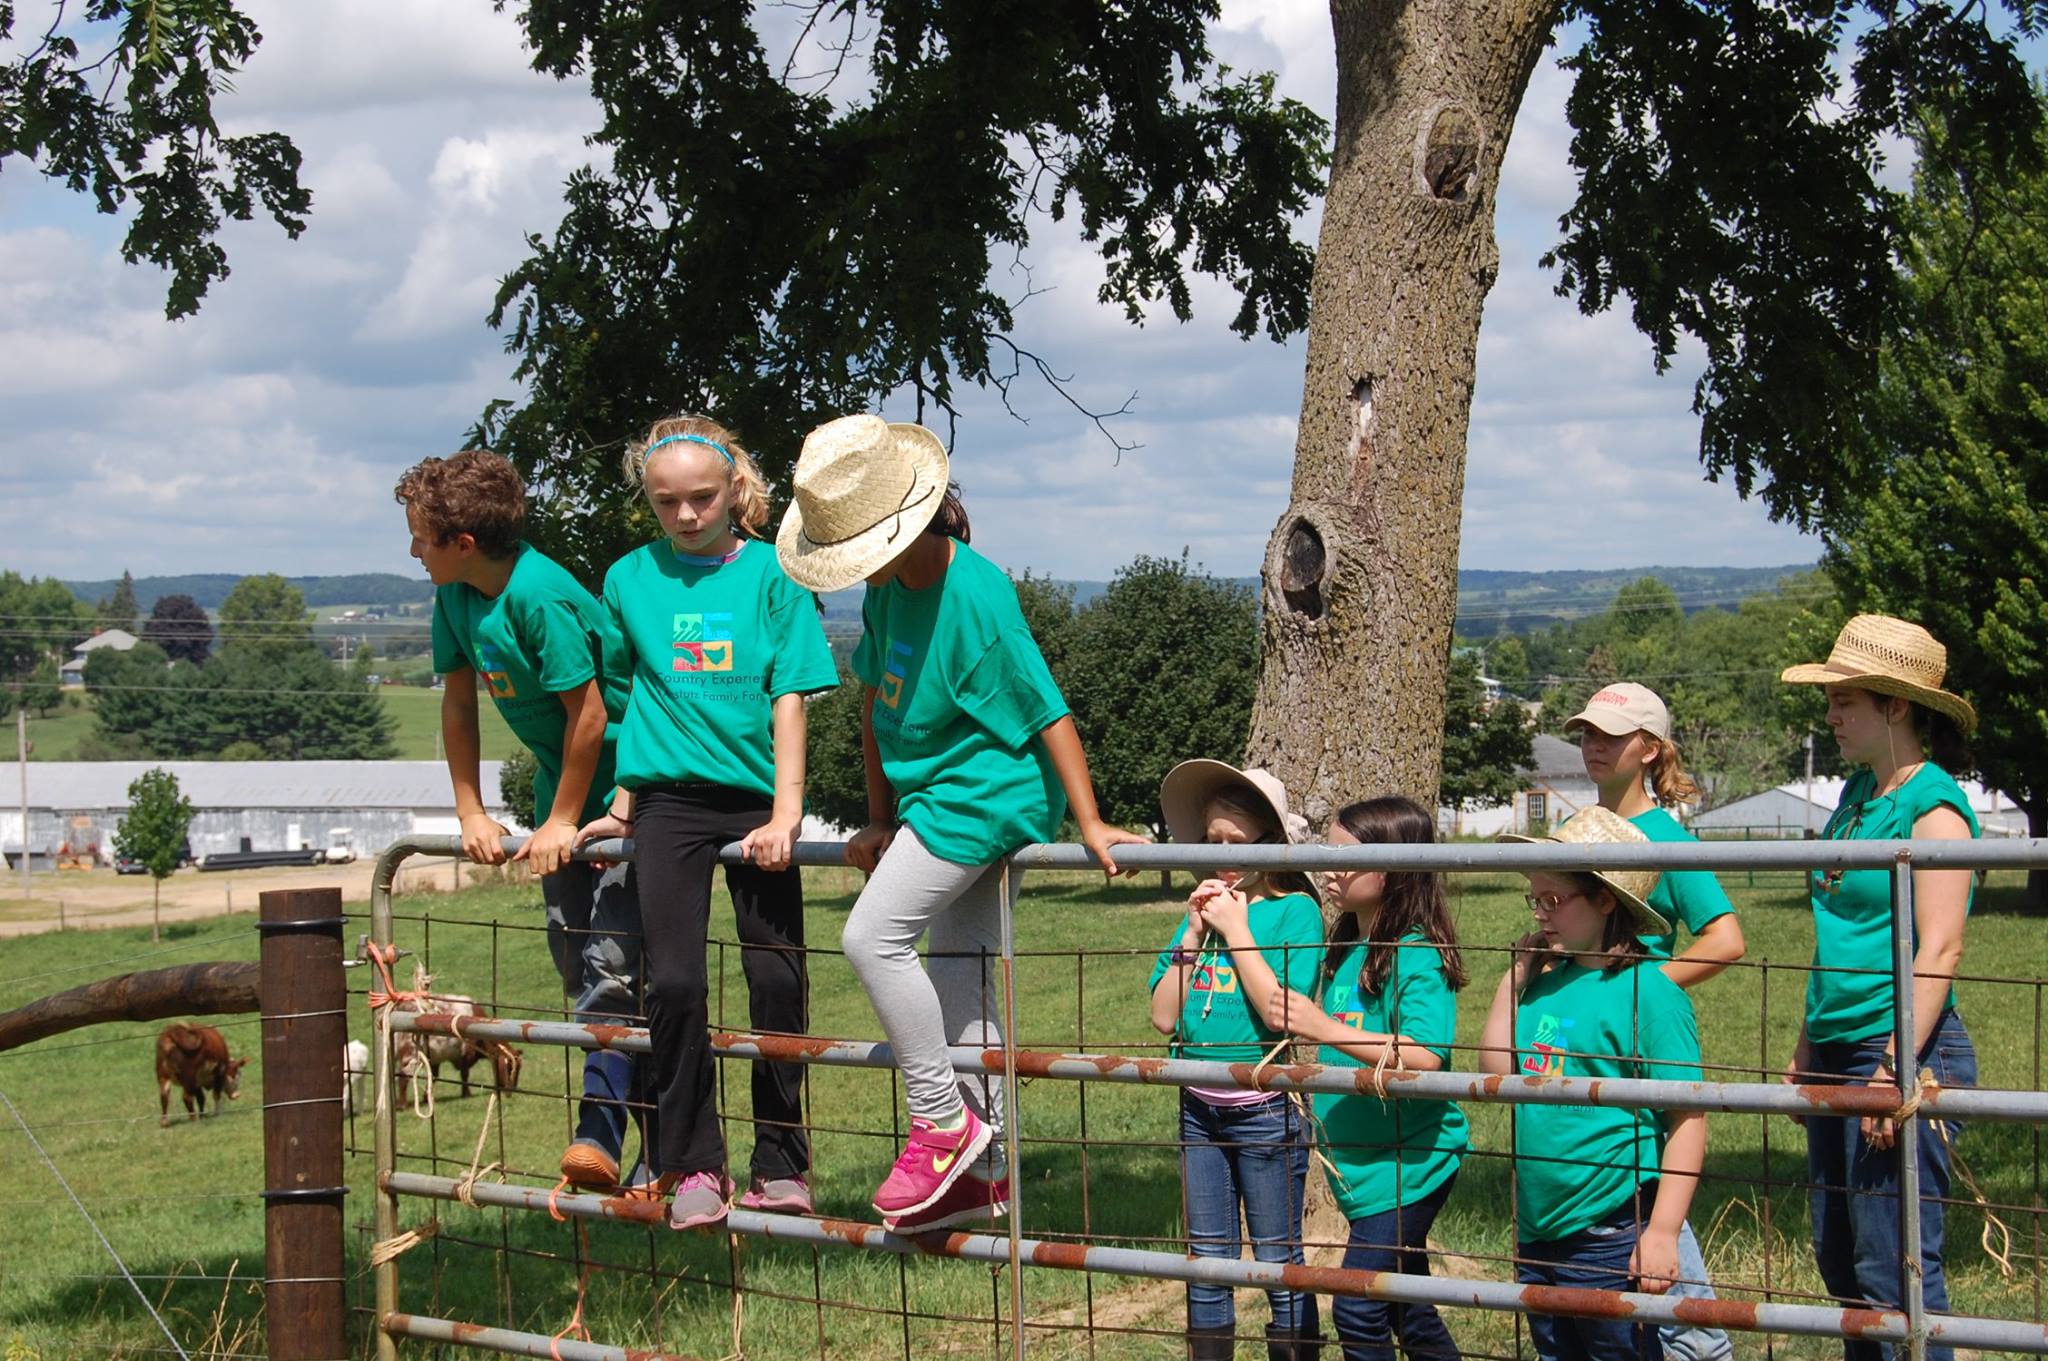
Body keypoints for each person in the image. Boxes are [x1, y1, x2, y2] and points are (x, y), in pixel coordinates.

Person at [775, 413, 1144, 1234]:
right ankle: (988, 1177)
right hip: (930, 796)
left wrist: (1090, 821)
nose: (859, 569)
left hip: (986, 793)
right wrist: (878, 819)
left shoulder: (977, 591)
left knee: (870, 938)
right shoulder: (885, 588)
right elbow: (874, 704)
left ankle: (941, 1120)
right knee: (961, 979)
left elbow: (1046, 708)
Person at [574, 414, 839, 1230]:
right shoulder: (627, 579)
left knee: (776, 980)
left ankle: (781, 1164)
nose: (685, 515)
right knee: (677, 984)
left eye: (700, 497)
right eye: (666, 503)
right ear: (650, 503)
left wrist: (788, 809)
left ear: (735, 490)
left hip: (756, 796)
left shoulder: (774, 574)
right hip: (668, 802)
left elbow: (789, 692)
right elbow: (625, 691)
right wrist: (623, 796)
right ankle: (693, 1164)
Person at [394, 451, 653, 1190]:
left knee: (612, 969)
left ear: (463, 543)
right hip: (558, 796)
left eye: (421, 538)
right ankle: (660, 1153)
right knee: (584, 969)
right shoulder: (457, 597)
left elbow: (594, 713)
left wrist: (569, 819)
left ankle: (600, 1133)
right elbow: (457, 702)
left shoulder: (538, 595)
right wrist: (471, 807)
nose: (414, 552)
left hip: (628, 790)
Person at [1780, 615, 1981, 1361]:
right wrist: (1807, 1043)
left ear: (1897, 706)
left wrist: (1896, 1060)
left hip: (1902, 1044)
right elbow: (1833, 926)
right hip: (1839, 1043)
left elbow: (1942, 945)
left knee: (1893, 1270)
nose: (1831, 714)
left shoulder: (1934, 810)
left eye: (1847, 700)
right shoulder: (1858, 795)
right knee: (1840, 1261)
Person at [1210, 794, 1466, 1361]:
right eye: (1328, 852)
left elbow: (1426, 1056)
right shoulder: (1348, 945)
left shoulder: (1416, 953)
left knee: (1358, 1305)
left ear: (1394, 867)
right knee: (1408, 1310)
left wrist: (1321, 1027)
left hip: (1409, 1166)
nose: (1331, 867)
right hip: (1364, 1170)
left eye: (1347, 855)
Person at [1481, 808, 1707, 1361]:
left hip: (1608, 1229)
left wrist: (1661, 1231)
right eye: (1534, 900)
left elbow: (1688, 1118)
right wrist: (1514, 978)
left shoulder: (1648, 993)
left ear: (1607, 900)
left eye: (1553, 900)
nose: (1540, 915)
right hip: (1537, 1225)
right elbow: (1495, 1072)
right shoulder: (1544, 984)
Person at [1565, 682, 1742, 1361]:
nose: (1592, 745)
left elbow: (1725, 937)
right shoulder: (1579, 830)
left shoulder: (1667, 837)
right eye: (1586, 732)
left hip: (1634, 1047)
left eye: (1609, 734)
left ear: (1650, 749)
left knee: (1645, 1182)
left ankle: (1697, 1339)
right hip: (1578, 1049)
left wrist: (1638, 991)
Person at [1148, 762, 1327, 1361]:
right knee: (1207, 1259)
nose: (1223, 857)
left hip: (1264, 1111)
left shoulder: (1295, 912)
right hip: (1199, 1107)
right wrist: (1194, 936)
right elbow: (1163, 1018)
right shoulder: (1199, 914)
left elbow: (1280, 1012)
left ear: (1270, 847)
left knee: (1277, 1257)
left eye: (1238, 845)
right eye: (1212, 842)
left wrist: (1237, 929)